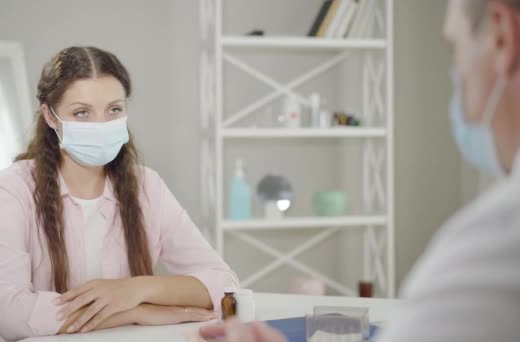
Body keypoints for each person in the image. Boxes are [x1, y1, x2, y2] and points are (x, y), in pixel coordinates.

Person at [198, 0, 520, 341]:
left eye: (454, 48)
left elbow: (220, 280)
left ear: (501, 38)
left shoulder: (500, 237)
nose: (456, 75)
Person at [0, 46, 239, 342]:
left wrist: (136, 290)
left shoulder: (146, 186)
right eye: (82, 112)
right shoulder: (11, 188)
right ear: (50, 117)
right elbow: (10, 316)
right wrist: (131, 312)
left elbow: (225, 285)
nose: (101, 125)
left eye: (114, 110)